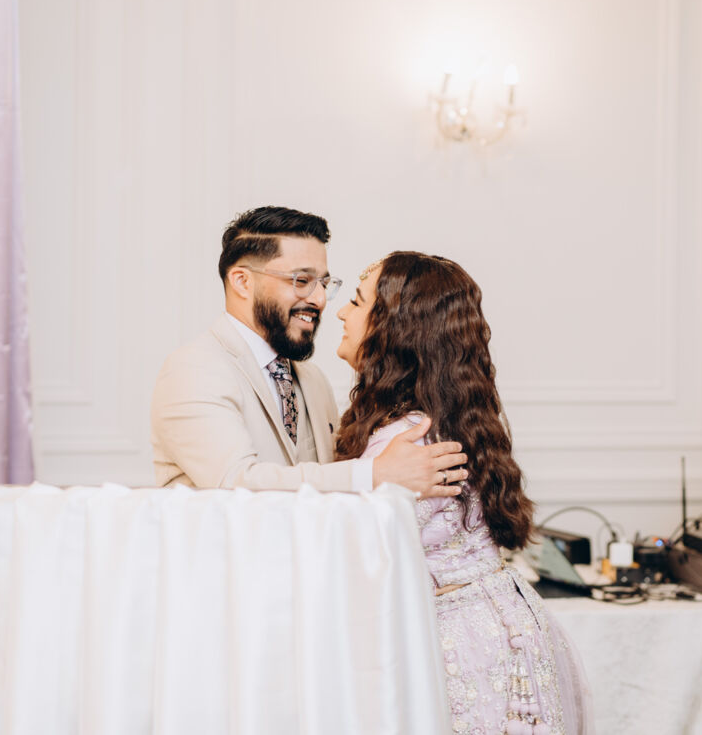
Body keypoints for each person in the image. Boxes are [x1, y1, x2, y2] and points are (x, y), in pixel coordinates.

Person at [334, 251, 593, 735]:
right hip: (499, 623)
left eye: (355, 301)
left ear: (393, 327)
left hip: (463, 650)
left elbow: (357, 558)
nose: (341, 313)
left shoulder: (408, 440)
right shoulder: (440, 416)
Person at [151, 206, 468, 496]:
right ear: (243, 282)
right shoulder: (192, 369)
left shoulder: (313, 380)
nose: (319, 299)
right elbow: (235, 482)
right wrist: (372, 474)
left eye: (324, 284)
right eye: (301, 280)